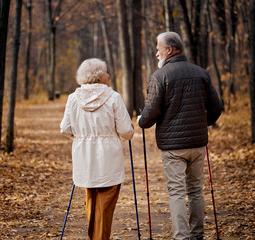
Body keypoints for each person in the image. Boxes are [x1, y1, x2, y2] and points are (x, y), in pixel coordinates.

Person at [137, 32, 223, 240]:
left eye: (158, 48)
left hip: (173, 147)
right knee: (195, 190)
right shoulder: (201, 73)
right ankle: (197, 234)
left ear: (169, 50)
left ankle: (182, 237)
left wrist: (140, 120)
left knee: (176, 192)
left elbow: (150, 115)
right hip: (197, 144)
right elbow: (217, 107)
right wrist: (205, 123)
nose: (156, 53)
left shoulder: (160, 77)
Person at [60, 58, 134, 240]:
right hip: (109, 159)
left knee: (91, 204)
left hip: (84, 158)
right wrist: (129, 132)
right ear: (99, 76)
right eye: (106, 72)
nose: (108, 75)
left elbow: (64, 128)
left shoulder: (73, 99)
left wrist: (80, 138)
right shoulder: (114, 97)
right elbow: (125, 131)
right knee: (105, 207)